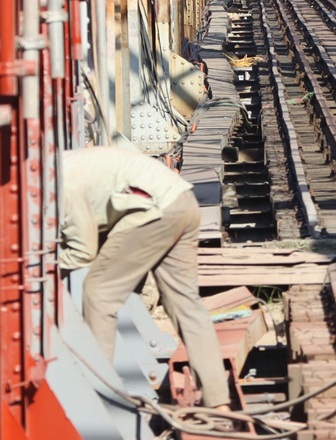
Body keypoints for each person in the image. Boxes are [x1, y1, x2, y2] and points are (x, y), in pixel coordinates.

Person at [59, 145, 232, 412]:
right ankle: (218, 400)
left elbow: (82, 251)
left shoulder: (63, 186)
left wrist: (50, 266)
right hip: (183, 200)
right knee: (185, 304)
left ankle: (100, 395)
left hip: (155, 210)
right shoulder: (65, 163)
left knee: (99, 293)